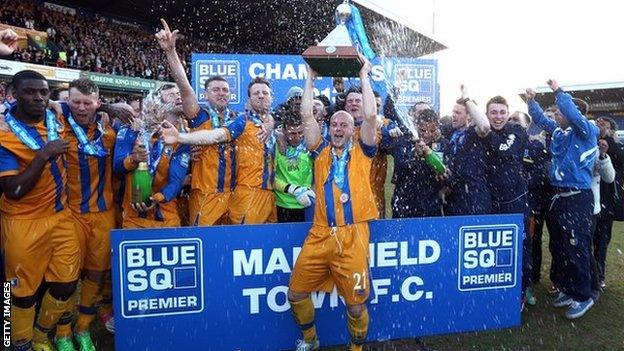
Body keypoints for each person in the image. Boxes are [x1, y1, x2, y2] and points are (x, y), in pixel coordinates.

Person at [288, 60, 377, 351]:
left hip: (353, 236)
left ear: (354, 130)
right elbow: (306, 118)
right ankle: (311, 339)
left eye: (345, 125)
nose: (338, 128)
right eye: (334, 124)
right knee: (296, 293)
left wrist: (364, 76)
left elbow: (371, 115)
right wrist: (309, 80)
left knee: (355, 306)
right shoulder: (319, 151)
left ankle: (356, 348)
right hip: (320, 234)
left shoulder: (364, 150)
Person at [0, 70, 79, 351]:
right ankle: (16, 341)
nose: (38, 98)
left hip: (60, 217)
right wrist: (44, 154)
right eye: (30, 92)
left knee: (67, 283)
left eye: (44, 92)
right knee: (19, 292)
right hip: (22, 221)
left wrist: (108, 106)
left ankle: (41, 334)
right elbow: (13, 190)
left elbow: (80, 102)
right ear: (14, 94)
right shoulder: (4, 135)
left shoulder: (55, 117)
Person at [46, 78, 117, 351]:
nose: (81, 107)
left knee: (97, 274)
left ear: (98, 103)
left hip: (104, 213)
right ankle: (63, 332)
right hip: (70, 214)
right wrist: (58, 104)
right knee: (67, 276)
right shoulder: (58, 126)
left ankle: (83, 328)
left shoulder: (109, 131)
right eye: (75, 101)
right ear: (67, 101)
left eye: (87, 102)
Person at [525, 79, 599, 319]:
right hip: (560, 197)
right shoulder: (560, 132)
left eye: (558, 112)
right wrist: (532, 102)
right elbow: (541, 120)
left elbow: (569, 112)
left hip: (578, 197)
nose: (555, 116)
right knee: (561, 247)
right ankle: (568, 289)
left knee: (576, 247)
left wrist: (558, 92)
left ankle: (583, 296)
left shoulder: (586, 130)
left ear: (571, 113)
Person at [156, 19, 240, 226]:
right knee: (206, 250)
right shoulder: (199, 116)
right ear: (206, 94)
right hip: (205, 195)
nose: (221, 93)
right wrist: (170, 52)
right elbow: (184, 87)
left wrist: (271, 123)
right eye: (216, 90)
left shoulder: (238, 119)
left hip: (235, 195)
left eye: (225, 90)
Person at [113, 92, 190, 229]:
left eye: (178, 93)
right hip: (134, 218)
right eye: (171, 94)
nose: (178, 96)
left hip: (167, 217)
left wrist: (158, 198)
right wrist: (133, 159)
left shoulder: (180, 138)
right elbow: (117, 167)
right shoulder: (130, 131)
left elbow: (176, 179)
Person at [382, 108, 447, 218]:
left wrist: (444, 179)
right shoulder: (404, 141)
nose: (426, 135)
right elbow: (399, 171)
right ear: (416, 125)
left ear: (437, 127)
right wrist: (414, 156)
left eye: (431, 131)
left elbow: (446, 173)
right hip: (404, 206)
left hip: (431, 207)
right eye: (422, 130)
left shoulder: (442, 144)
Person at [442, 91, 491, 215]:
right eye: (453, 112)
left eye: (458, 113)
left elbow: (485, 126)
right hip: (453, 199)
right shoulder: (450, 133)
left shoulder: (475, 134)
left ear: (469, 116)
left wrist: (467, 100)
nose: (453, 115)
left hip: (474, 199)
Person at [273, 110, 314, 223]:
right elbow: (271, 178)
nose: (297, 137)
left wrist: (308, 190)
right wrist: (293, 189)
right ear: (284, 131)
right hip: (283, 205)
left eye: (300, 132)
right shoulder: (275, 147)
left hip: (307, 203)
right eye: (292, 133)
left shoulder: (310, 146)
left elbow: (316, 174)